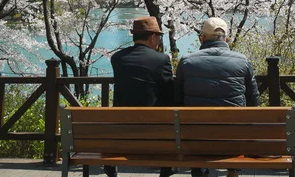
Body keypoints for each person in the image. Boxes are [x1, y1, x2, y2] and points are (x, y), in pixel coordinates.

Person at [175, 17, 259, 177]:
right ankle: (233, 171)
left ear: (202, 38)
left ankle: (199, 172)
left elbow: (177, 100)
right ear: (226, 38)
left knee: (194, 129)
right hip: (233, 140)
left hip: (196, 142)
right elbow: (254, 101)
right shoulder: (243, 61)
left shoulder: (187, 62)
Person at [105, 16, 175, 177]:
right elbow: (169, 92)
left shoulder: (117, 58)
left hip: (122, 131)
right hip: (152, 133)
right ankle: (167, 169)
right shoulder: (161, 60)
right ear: (152, 37)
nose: (159, 40)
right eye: (159, 36)